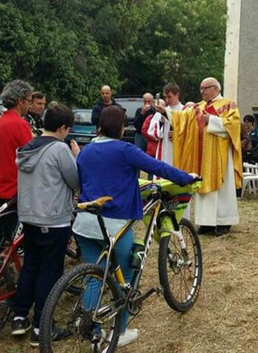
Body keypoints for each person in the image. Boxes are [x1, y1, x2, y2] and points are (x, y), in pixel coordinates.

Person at [73, 106, 197, 348]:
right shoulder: (125, 149)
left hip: (85, 221)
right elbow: (158, 167)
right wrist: (185, 177)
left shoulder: (86, 152)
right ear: (122, 128)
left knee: (93, 277)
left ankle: (91, 329)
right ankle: (118, 332)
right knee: (126, 276)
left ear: (99, 127)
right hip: (115, 223)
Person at [11, 105, 80, 346]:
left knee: (30, 266)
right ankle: (42, 327)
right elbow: (74, 179)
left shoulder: (27, 148)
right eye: (67, 128)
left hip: (29, 216)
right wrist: (77, 155)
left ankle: (19, 317)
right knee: (49, 272)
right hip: (53, 218)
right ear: (62, 128)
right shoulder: (59, 149)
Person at [171, 77, 242, 237]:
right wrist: (167, 112)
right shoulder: (199, 106)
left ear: (215, 88)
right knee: (202, 186)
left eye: (205, 88)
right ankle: (206, 222)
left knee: (222, 188)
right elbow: (183, 119)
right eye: (200, 88)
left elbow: (234, 125)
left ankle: (224, 222)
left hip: (220, 155)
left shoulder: (228, 104)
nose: (202, 91)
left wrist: (212, 120)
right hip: (202, 155)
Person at [0, 80, 34, 244]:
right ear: (20, 100)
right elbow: (34, 156)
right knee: (2, 237)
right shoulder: (19, 124)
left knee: (1, 232)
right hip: (13, 188)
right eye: (29, 101)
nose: (30, 106)